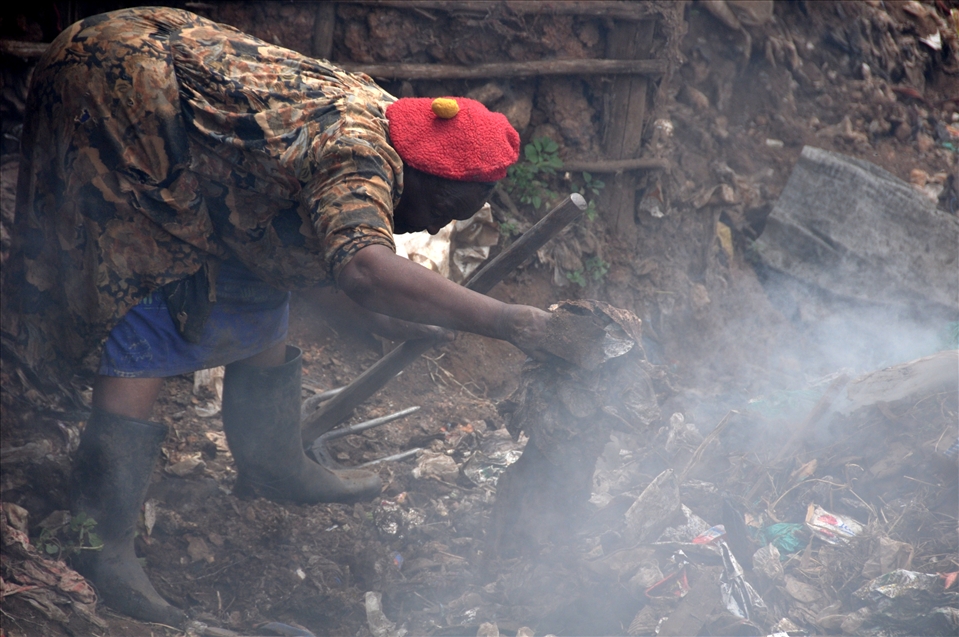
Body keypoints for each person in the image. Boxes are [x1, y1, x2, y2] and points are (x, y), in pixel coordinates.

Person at [1, 7, 551, 626]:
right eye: (448, 203)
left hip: (163, 85)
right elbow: (362, 269)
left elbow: (305, 249)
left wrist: (381, 318)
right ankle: (101, 540)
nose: (440, 224)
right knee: (151, 275)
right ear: (421, 168)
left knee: (263, 260)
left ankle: (271, 461)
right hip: (116, 87)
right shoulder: (357, 150)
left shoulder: (398, 126)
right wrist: (509, 321)